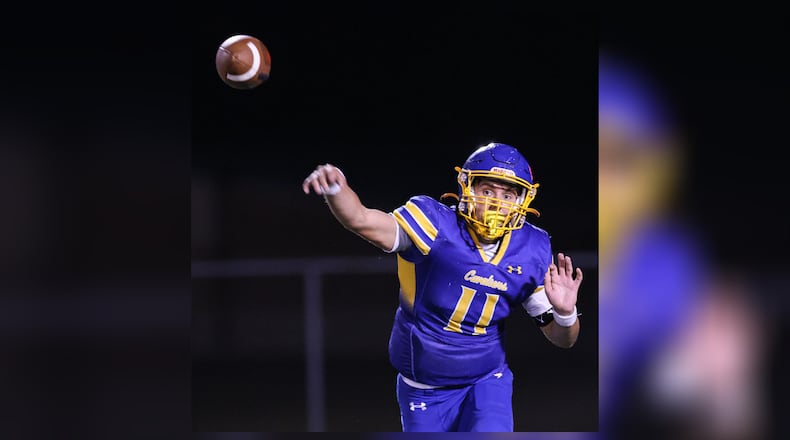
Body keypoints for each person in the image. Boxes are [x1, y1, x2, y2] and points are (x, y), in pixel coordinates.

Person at [302, 142, 584, 432]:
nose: (497, 203)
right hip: (423, 387)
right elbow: (361, 219)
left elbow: (565, 339)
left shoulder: (532, 248)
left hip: (486, 381)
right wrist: (336, 188)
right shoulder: (434, 223)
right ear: (467, 188)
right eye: (487, 191)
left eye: (508, 194)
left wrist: (565, 314)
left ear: (523, 200)